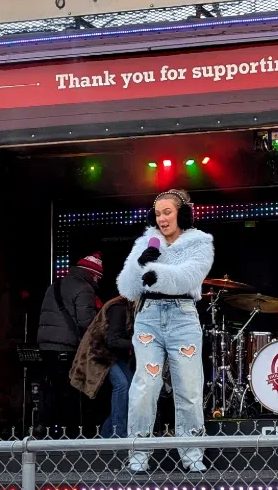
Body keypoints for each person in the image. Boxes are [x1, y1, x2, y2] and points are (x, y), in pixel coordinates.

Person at [117, 189, 214, 472]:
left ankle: (193, 456)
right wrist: (140, 264)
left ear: (182, 213)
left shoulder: (200, 243)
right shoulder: (147, 241)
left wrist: (156, 273)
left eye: (167, 212)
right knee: (145, 386)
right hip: (148, 317)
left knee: (189, 388)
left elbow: (188, 277)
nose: (162, 219)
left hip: (182, 316)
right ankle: (137, 456)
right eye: (158, 213)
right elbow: (127, 287)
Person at [35, 252, 103, 437]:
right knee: (68, 391)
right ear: (92, 273)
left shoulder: (54, 285)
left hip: (46, 345)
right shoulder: (84, 288)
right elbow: (86, 322)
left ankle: (42, 428)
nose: (98, 280)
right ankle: (70, 433)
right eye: (98, 276)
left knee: (50, 387)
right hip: (65, 346)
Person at [69, 296, 135, 438]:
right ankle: (118, 433)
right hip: (98, 353)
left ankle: (107, 433)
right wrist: (137, 343)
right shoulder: (119, 308)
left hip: (112, 355)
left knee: (131, 386)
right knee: (122, 384)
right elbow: (113, 340)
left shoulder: (126, 307)